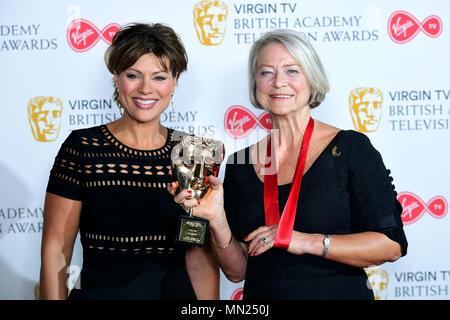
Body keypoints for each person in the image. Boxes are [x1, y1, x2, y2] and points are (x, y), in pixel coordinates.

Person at [170, 29, 408, 299]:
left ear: (312, 80)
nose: (278, 82)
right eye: (266, 72)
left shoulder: (352, 149)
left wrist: (303, 240)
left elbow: (391, 245)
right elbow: (237, 272)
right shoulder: (240, 163)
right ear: (255, 84)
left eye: (292, 71)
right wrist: (217, 220)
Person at [40, 23, 219, 300]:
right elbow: (55, 252)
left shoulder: (194, 153)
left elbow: (199, 259)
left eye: (159, 77)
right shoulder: (82, 147)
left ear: (175, 81)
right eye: (133, 75)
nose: (146, 89)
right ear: (116, 78)